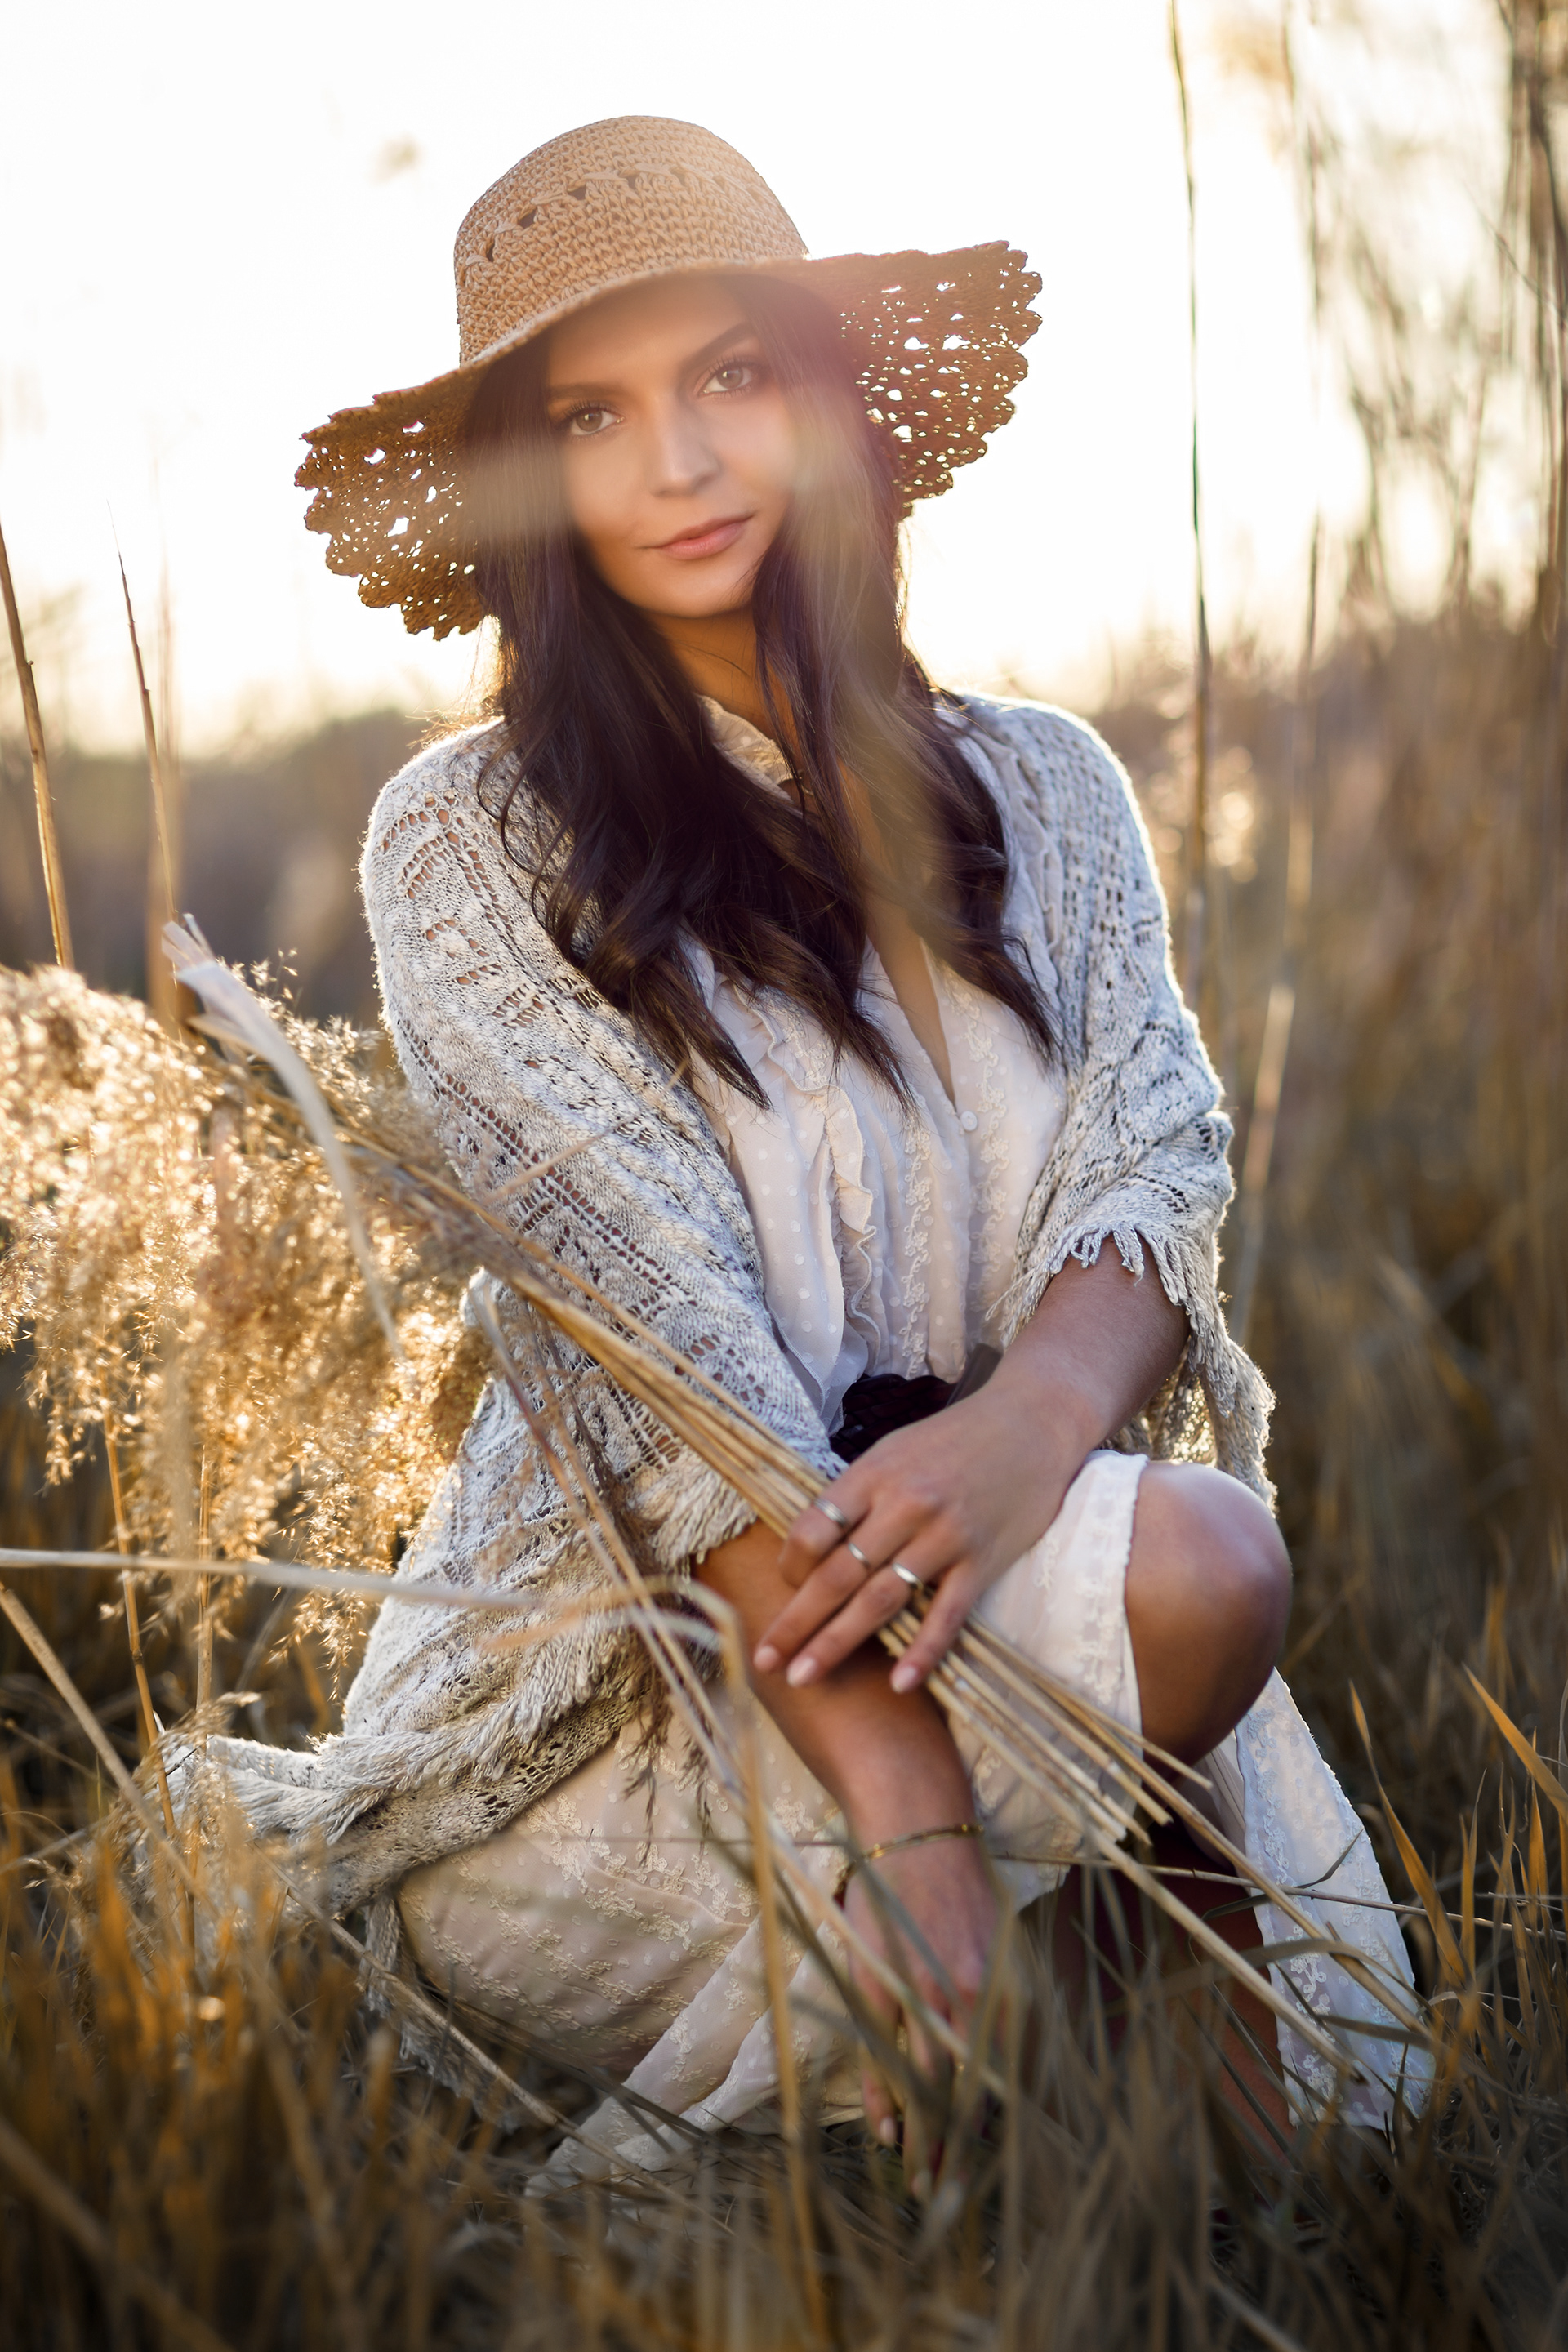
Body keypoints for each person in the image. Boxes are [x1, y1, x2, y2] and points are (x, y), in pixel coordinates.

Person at [214, 115, 1420, 2172]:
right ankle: (907, 1990)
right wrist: (918, 1812)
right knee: (1208, 1567)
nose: (675, 464)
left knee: (1342, 2136)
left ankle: (961, 2038)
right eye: (592, 416)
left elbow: (1150, 1150)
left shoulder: (1044, 792)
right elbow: (651, 1334)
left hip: (1013, 1576)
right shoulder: (476, 840)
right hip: (639, 1696)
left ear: (822, 396)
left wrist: (1040, 1419)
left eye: (729, 378)